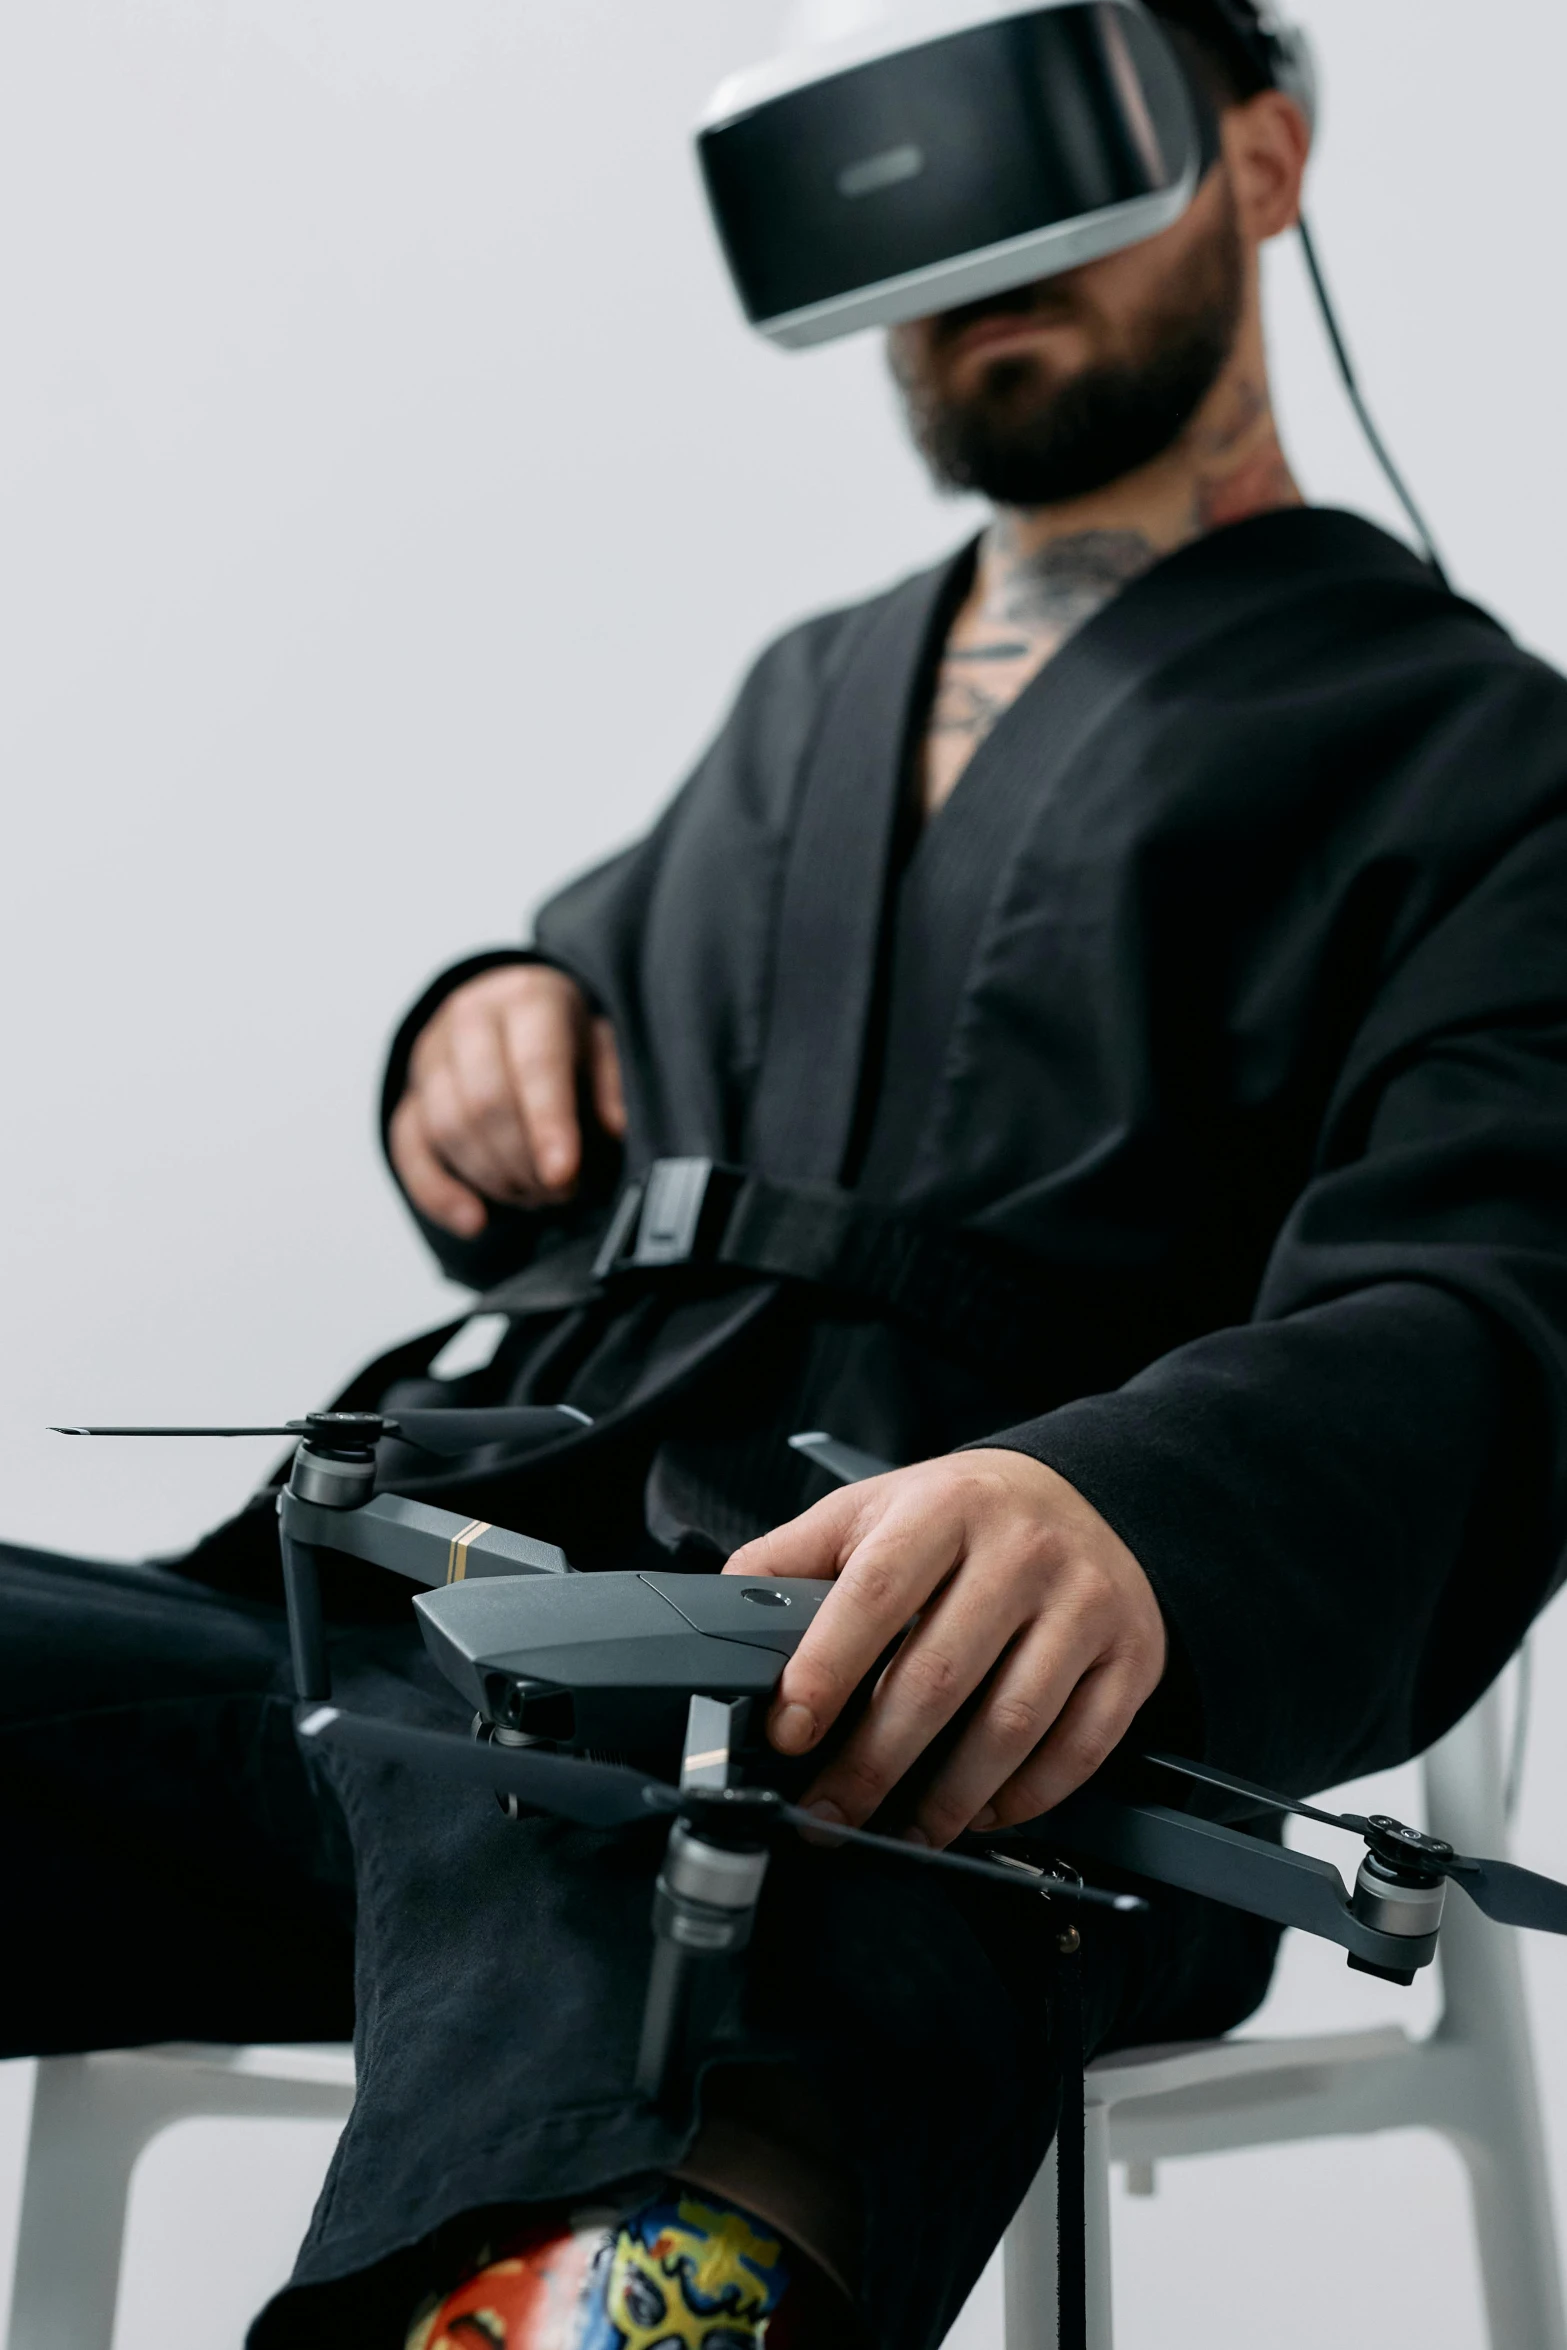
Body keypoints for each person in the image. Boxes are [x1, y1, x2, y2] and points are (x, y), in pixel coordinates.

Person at [9, 3, 1567, 2344]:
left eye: (1032, 162)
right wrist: (483, 1031)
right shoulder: (805, 692)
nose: (970, 252)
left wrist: (1133, 1504)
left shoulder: (1481, 758)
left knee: (754, 1854)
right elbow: (604, 1034)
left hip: (918, 1730)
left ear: (1256, 160)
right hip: (433, 1635)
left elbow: (1492, 1283)